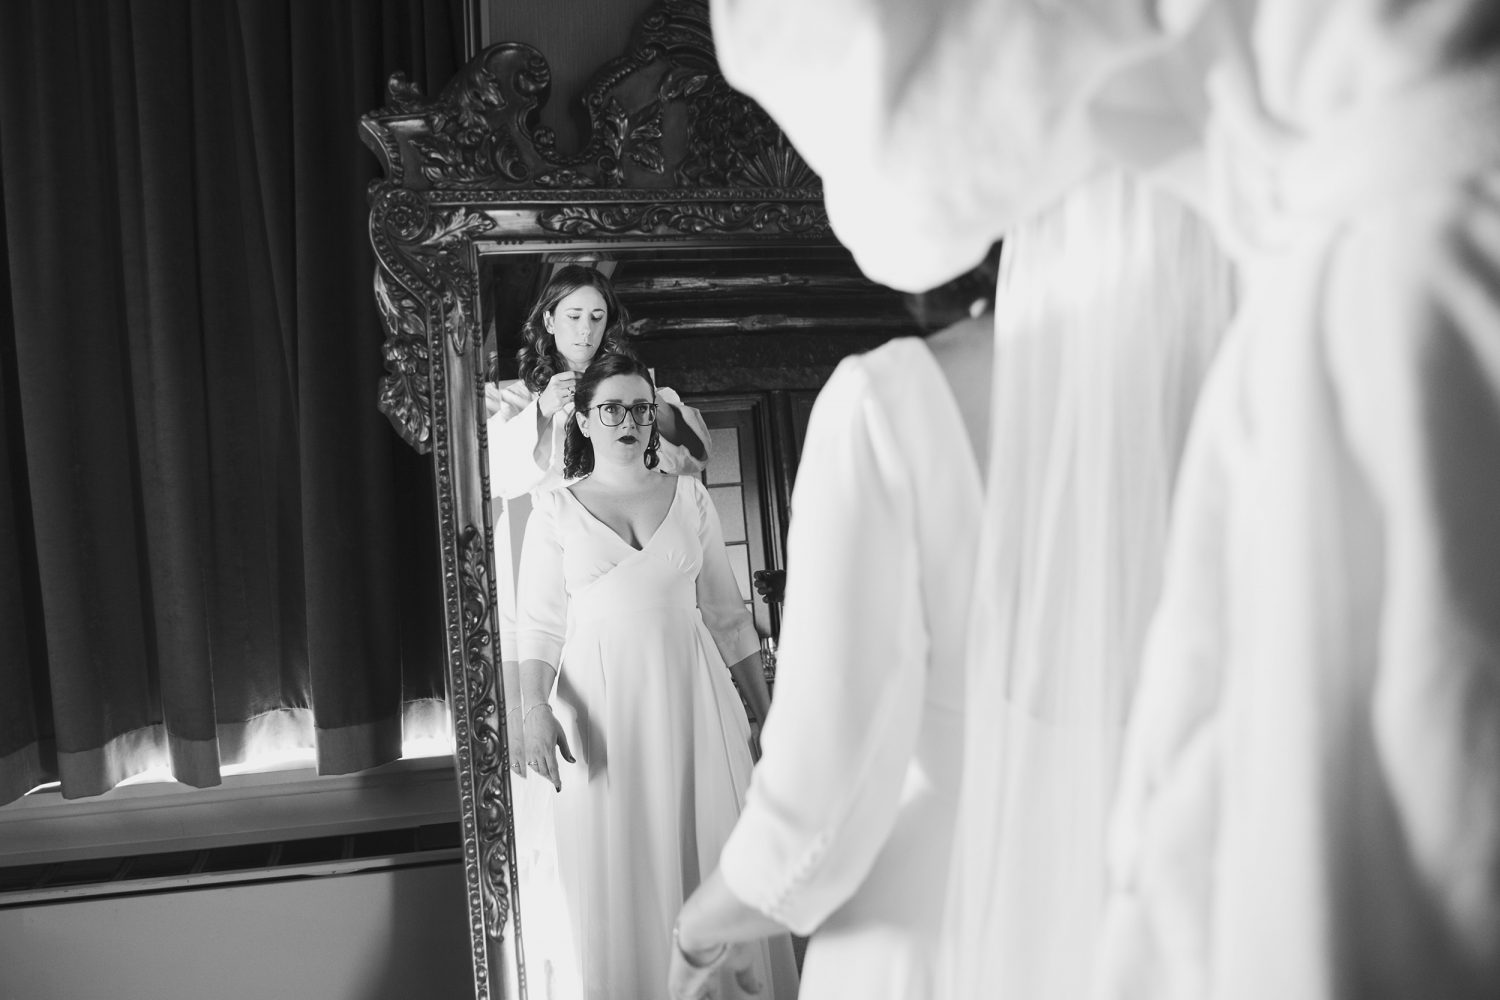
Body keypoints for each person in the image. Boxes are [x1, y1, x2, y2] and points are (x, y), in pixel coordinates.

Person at [708, 2, 1500, 999]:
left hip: (1425, 311)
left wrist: (700, 925)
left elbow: (898, 161)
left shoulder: (890, 408)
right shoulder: (1241, 357)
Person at [515, 352, 800, 1000]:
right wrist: (533, 709)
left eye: (641, 408)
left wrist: (768, 717)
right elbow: (538, 628)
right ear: (583, 420)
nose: (629, 421)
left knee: (713, 857)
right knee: (620, 874)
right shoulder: (553, 511)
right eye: (611, 408)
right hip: (601, 715)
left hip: (695, 703)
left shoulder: (693, 496)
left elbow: (729, 619)